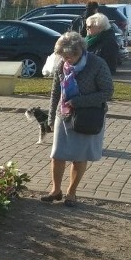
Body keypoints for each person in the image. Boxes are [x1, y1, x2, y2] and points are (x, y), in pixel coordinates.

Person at [42, 31, 113, 207]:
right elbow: (55, 93)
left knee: (79, 157)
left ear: (81, 50)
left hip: (86, 117)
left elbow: (107, 92)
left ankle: (71, 193)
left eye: (71, 56)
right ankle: (55, 190)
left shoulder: (97, 64)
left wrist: (78, 102)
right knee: (57, 155)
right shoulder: (61, 65)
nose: (68, 60)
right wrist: (51, 118)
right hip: (63, 115)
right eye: (64, 56)